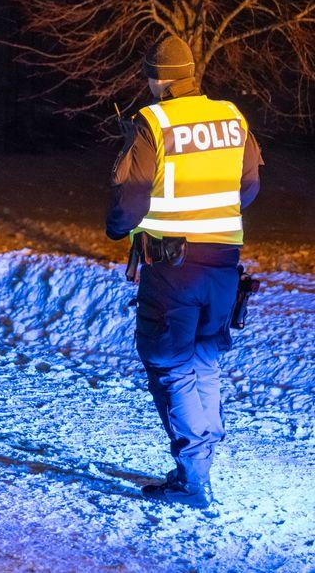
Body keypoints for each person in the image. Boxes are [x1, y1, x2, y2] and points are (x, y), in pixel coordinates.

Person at [107, 36, 262, 509]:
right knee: (205, 358)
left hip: (173, 269)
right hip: (222, 264)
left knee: (170, 365)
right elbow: (250, 184)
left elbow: (128, 197)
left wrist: (120, 228)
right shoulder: (232, 117)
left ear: (157, 78)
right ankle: (202, 454)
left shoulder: (152, 121)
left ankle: (194, 476)